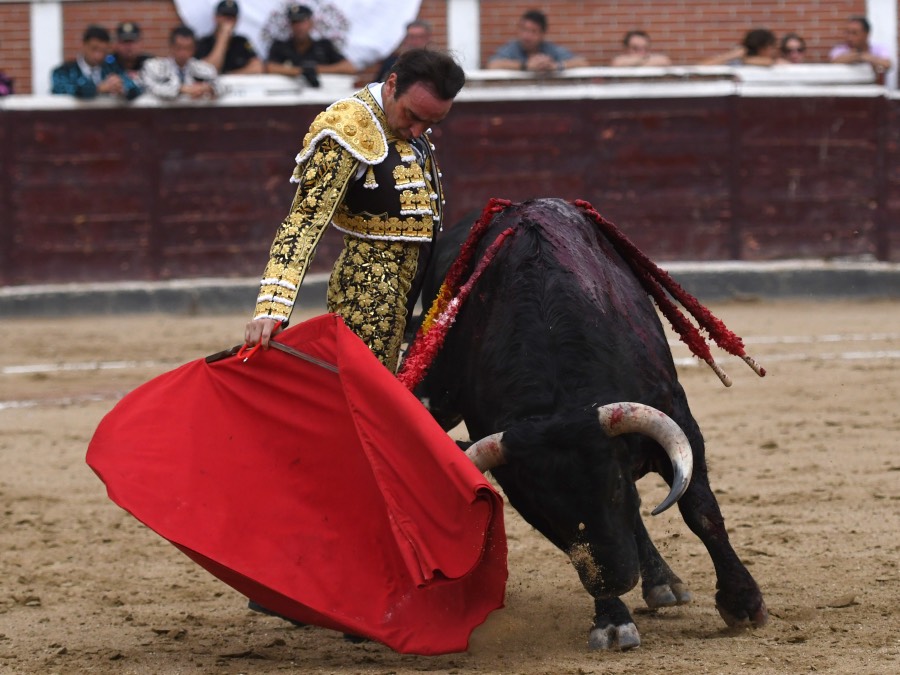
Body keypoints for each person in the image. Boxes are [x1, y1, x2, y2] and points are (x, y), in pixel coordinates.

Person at [244, 48, 466, 374]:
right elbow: (304, 221)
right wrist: (271, 307)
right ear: (391, 84)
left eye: (432, 122)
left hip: (412, 290)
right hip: (366, 293)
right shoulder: (348, 128)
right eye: (413, 116)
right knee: (363, 396)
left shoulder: (404, 122)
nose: (418, 130)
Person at [265, 4, 356, 87]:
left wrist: (316, 70)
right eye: (295, 22)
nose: (299, 27)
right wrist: (302, 71)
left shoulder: (324, 46)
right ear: (290, 25)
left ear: (311, 23)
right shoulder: (280, 46)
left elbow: (348, 67)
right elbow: (270, 67)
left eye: (302, 22)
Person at [51, 24, 141, 100]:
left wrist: (122, 88)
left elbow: (135, 88)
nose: (98, 55)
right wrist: (98, 89)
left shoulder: (112, 68)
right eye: (94, 49)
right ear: (83, 45)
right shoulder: (64, 71)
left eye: (103, 51)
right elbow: (63, 89)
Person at [487, 9, 588, 72]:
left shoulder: (550, 48)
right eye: (523, 29)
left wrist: (555, 66)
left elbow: (582, 63)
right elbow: (492, 65)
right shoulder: (513, 48)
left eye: (533, 31)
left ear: (542, 34)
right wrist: (525, 66)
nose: (526, 36)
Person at [141, 26, 220, 100]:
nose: (183, 53)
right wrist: (180, 89)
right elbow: (149, 87)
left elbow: (222, 86)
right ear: (171, 47)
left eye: (187, 48)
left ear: (194, 49)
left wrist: (208, 88)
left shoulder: (204, 68)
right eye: (179, 48)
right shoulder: (154, 67)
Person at [195, 0, 263, 75]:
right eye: (224, 16)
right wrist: (223, 37)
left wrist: (228, 76)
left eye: (232, 17)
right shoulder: (204, 42)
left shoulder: (242, 42)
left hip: (237, 84)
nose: (228, 20)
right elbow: (208, 70)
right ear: (216, 17)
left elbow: (258, 68)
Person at [700, 28, 778, 66]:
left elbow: (768, 62)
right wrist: (731, 56)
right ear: (762, 48)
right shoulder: (736, 60)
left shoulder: (772, 61)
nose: (773, 50)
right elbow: (702, 66)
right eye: (771, 47)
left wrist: (744, 59)